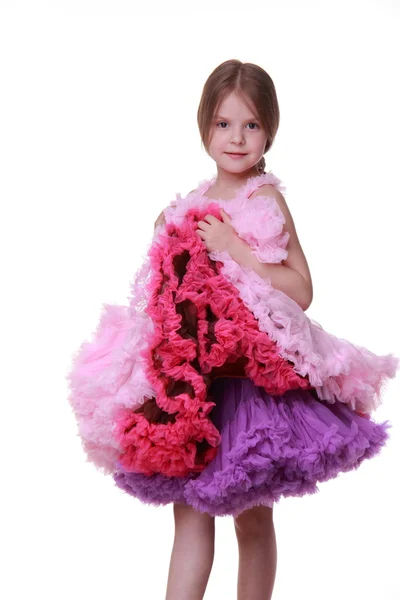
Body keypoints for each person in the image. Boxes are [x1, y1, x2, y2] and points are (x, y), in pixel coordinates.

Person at [67, 59, 399, 600]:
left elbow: (302, 288)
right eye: (224, 124)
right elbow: (165, 298)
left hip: (251, 387)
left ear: (269, 129)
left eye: (251, 125)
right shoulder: (187, 205)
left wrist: (235, 249)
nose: (237, 138)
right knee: (191, 515)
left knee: (251, 518)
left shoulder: (264, 199)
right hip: (196, 392)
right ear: (204, 127)